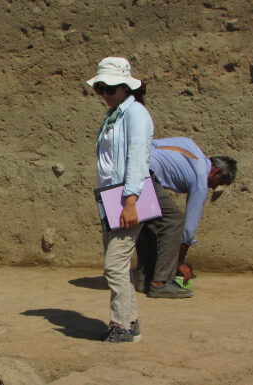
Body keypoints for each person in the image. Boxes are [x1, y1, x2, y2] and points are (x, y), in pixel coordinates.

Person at [86, 56, 154, 342]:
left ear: (126, 87)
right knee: (120, 266)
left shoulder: (135, 114)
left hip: (127, 199)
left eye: (109, 89)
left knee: (114, 266)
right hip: (111, 198)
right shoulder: (116, 114)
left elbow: (138, 157)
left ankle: (121, 326)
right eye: (100, 88)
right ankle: (131, 322)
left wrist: (130, 201)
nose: (104, 94)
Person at [134, 137, 238, 298]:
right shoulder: (201, 180)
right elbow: (188, 230)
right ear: (216, 171)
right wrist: (180, 262)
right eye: (219, 182)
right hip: (145, 173)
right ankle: (161, 283)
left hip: (132, 166)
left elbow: (154, 144)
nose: (215, 187)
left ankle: (144, 279)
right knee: (175, 221)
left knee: (149, 221)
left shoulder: (190, 145)